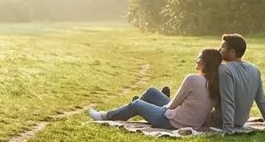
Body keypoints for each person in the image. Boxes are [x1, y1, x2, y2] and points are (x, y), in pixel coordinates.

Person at [88, 48, 221, 130]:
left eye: (198, 59)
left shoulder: (192, 79)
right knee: (151, 91)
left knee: (137, 104)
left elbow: (173, 105)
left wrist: (161, 107)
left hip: (172, 122)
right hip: (191, 122)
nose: (196, 62)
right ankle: (143, 106)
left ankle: (105, 116)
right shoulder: (218, 84)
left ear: (205, 63)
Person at [213, 33, 265, 134]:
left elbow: (228, 101)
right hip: (241, 122)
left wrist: (228, 129)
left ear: (232, 52)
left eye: (223, 47)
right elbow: (262, 102)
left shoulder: (224, 69)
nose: (219, 50)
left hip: (221, 121)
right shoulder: (255, 69)